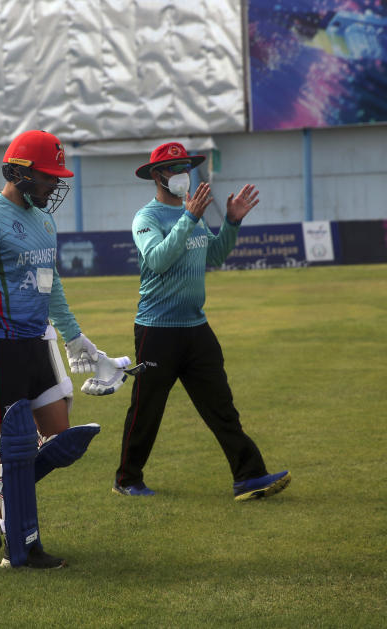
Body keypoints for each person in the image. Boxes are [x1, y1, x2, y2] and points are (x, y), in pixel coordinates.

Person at [0, 130, 126, 569]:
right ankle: (17, 543)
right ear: (19, 173)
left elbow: (51, 284)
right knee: (11, 443)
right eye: (47, 177)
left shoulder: (44, 220)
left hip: (35, 343)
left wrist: (75, 337)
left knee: (57, 437)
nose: (54, 186)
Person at [113, 141, 291, 501]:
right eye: (174, 169)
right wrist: (190, 217)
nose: (183, 175)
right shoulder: (146, 218)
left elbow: (216, 255)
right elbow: (159, 260)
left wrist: (232, 222)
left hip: (196, 329)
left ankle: (249, 476)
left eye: (185, 168)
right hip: (156, 330)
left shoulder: (190, 213)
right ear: (157, 176)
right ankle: (127, 479)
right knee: (147, 409)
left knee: (222, 407)